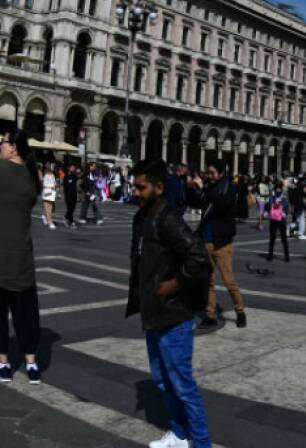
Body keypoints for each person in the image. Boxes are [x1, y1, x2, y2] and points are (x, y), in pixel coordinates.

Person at [125, 159, 214, 448]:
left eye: (141, 187)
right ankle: (179, 433)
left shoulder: (168, 218)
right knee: (163, 381)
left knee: (183, 386)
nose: (135, 191)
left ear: (159, 188)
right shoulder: (142, 217)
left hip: (174, 315)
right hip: (154, 313)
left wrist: (174, 284)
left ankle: (201, 443)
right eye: (134, 186)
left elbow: (199, 256)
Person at [0, 130, 42, 384]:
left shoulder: (1, 170)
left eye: (3, 142)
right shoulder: (32, 176)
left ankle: (3, 363)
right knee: (26, 313)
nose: (0, 146)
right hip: (23, 255)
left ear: (14, 147)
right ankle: (32, 363)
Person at [196, 161, 246, 329]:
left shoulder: (229, 187)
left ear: (221, 173)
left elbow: (222, 205)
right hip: (207, 239)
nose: (209, 176)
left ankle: (240, 311)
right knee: (208, 280)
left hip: (222, 242)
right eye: (207, 173)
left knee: (228, 280)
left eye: (211, 173)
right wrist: (192, 188)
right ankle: (210, 314)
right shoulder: (209, 187)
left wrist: (206, 190)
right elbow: (197, 203)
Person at [265, 182, 291, 263]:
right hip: (273, 219)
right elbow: (268, 206)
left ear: (282, 189)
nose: (278, 190)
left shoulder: (284, 198)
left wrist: (283, 214)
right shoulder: (272, 198)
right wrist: (268, 212)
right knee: (272, 238)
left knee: (284, 238)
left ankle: (287, 256)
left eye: (279, 188)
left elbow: (287, 209)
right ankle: (270, 255)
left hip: (281, 220)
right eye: (277, 188)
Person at [61, 164, 80, 229]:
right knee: (70, 209)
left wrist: (78, 194)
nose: (73, 168)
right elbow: (63, 187)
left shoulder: (75, 176)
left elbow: (77, 184)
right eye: (72, 167)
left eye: (74, 167)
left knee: (72, 209)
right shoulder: (66, 177)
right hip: (68, 195)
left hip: (74, 195)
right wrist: (62, 195)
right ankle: (72, 222)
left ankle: (65, 217)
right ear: (69, 168)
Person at [39, 163, 57, 230]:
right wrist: (51, 187)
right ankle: (50, 222)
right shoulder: (46, 175)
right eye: (52, 167)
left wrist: (55, 187)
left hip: (52, 193)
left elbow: (54, 183)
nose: (54, 168)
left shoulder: (52, 175)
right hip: (47, 193)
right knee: (49, 207)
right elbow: (44, 184)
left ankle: (44, 215)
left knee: (53, 208)